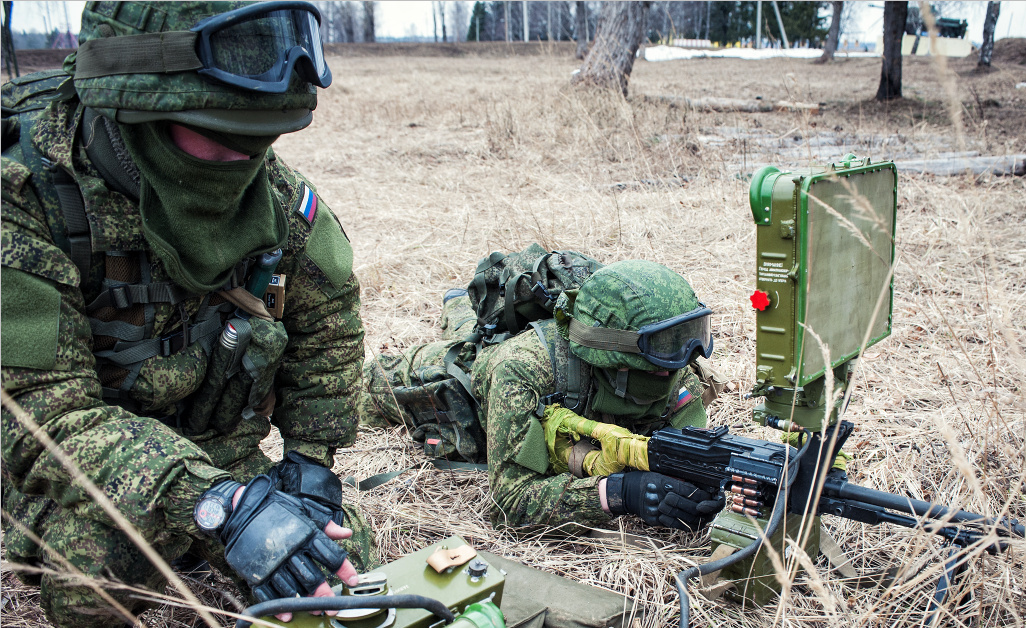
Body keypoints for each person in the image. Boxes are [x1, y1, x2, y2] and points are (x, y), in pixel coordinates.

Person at [1, 2, 371, 625]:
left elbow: (328, 330)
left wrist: (311, 465)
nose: (243, 165)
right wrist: (217, 505)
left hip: (224, 456)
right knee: (91, 572)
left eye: (258, 144)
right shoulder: (27, 200)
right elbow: (40, 416)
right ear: (137, 113)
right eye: (221, 140)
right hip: (95, 473)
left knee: (335, 553)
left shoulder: (275, 196)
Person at [366, 259, 728, 534]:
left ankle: (458, 304)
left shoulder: (671, 365)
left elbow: (685, 438)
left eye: (689, 338)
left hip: (531, 361)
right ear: (612, 350)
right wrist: (620, 493)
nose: (682, 360)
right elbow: (509, 503)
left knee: (470, 324)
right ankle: (462, 308)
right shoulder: (521, 369)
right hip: (466, 386)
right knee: (380, 381)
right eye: (665, 348)